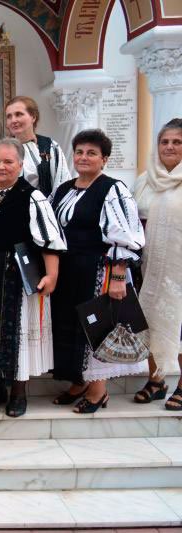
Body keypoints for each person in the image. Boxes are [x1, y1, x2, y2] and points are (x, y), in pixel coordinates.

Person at [0, 139, 66, 417]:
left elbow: (49, 240)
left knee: (16, 335)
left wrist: (52, 276)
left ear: (20, 165)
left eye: (8, 162)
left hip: (17, 277)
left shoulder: (32, 197)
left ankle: (18, 392)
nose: (1, 167)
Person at [50, 129, 146, 413]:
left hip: (99, 270)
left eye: (91, 153)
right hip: (69, 270)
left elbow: (125, 236)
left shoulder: (113, 189)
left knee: (95, 328)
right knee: (70, 326)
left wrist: (117, 276)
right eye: (79, 152)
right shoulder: (64, 189)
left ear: (104, 159)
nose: (83, 157)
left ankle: (98, 391)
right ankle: (79, 382)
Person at [133, 118, 182, 409]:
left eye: (177, 142)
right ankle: (156, 380)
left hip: (179, 271)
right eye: (165, 142)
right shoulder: (144, 180)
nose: (170, 147)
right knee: (149, 320)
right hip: (147, 266)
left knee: (179, 325)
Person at [0, 96, 72, 196]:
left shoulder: (49, 146)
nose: (13, 120)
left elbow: (62, 184)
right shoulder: (1, 149)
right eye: (9, 116)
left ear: (33, 117)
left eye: (18, 114)